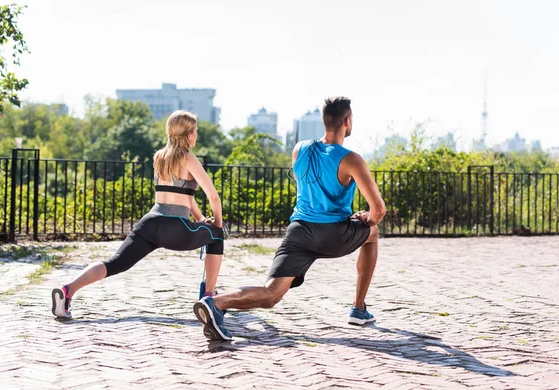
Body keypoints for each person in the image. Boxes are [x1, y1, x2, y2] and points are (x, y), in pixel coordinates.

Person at [194, 97, 386, 341]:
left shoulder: (300, 149)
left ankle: (215, 302)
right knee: (373, 233)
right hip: (333, 234)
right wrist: (366, 218)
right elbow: (378, 211)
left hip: (298, 232)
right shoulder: (351, 159)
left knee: (271, 294)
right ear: (347, 121)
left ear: (325, 121)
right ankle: (358, 309)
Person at [51, 110, 226, 319]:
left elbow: (185, 197)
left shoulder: (160, 157)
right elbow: (213, 197)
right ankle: (208, 298)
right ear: (189, 135)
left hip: (150, 223)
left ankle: (67, 291)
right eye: (196, 131)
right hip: (176, 228)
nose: (196, 136)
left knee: (115, 263)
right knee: (217, 235)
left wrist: (200, 220)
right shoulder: (189, 158)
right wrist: (217, 223)